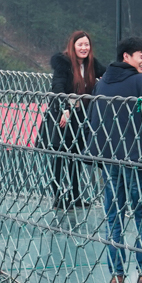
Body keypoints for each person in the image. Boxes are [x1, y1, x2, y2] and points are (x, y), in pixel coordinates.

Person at [86, 36, 142, 283]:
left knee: (114, 217)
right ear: (126, 57)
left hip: (110, 159)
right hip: (137, 159)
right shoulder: (141, 82)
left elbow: (94, 120)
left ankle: (116, 275)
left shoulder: (101, 84)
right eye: (141, 55)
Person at [44, 30, 98, 209]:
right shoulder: (64, 64)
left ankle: (75, 195)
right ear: (72, 46)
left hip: (80, 117)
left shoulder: (91, 64)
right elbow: (57, 87)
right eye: (80, 44)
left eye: (86, 44)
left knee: (76, 156)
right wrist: (65, 108)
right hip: (62, 116)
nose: (84, 48)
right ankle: (59, 197)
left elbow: (108, 75)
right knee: (60, 156)